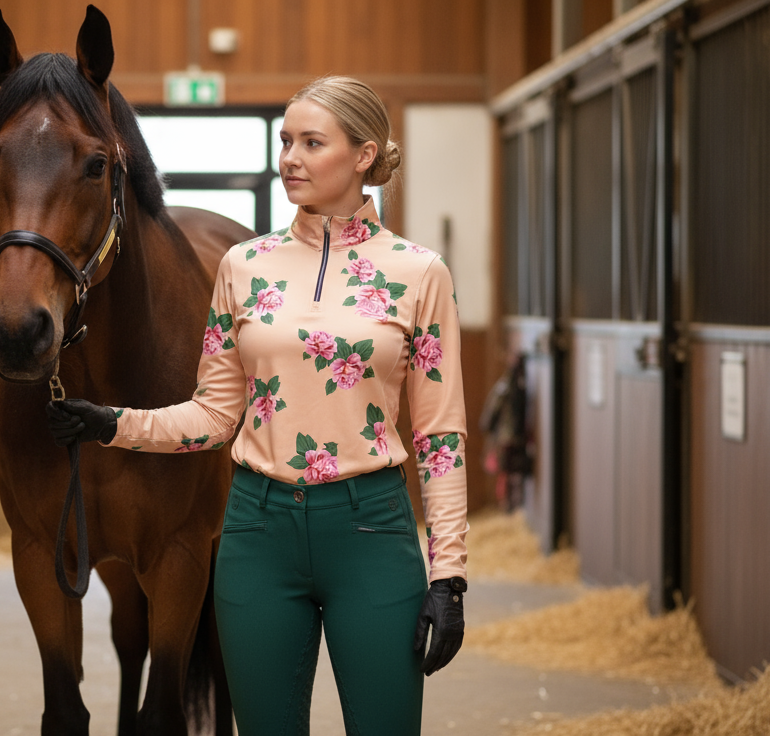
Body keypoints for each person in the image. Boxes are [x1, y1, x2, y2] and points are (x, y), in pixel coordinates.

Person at [47, 76, 468, 735]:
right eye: (284, 141)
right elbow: (215, 414)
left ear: (363, 156)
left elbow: (441, 437)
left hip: (373, 533)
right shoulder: (244, 267)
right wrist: (114, 425)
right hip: (257, 532)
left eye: (310, 142)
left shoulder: (420, 273)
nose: (289, 158)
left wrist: (450, 575)